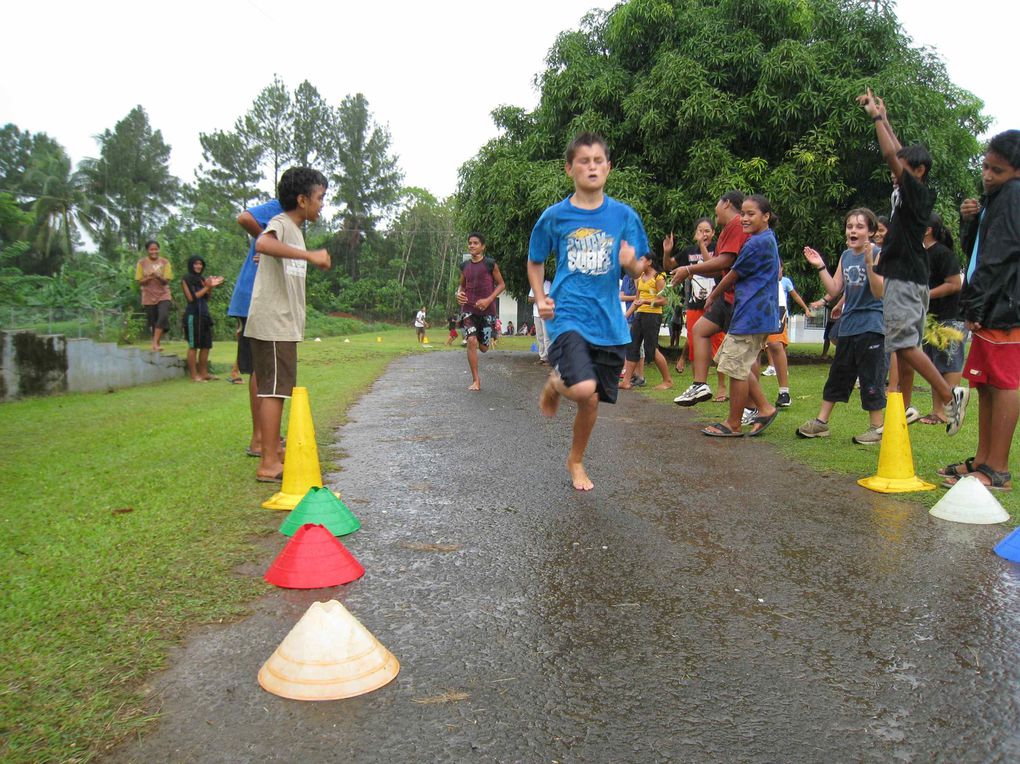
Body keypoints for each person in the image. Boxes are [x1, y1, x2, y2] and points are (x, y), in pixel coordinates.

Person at [528, 132, 649, 491]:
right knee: (582, 389)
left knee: (592, 400)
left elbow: (641, 266)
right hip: (567, 314)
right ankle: (559, 382)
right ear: (570, 169)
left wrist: (632, 265)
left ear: (609, 168)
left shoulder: (624, 216)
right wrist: (540, 296)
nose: (592, 166)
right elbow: (535, 261)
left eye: (599, 160)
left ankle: (576, 458)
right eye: (584, 160)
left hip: (609, 323)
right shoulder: (555, 216)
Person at [858, 87, 967, 434]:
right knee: (905, 349)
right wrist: (886, 118)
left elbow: (892, 154)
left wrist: (876, 118)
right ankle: (901, 412)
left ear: (917, 171)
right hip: (909, 277)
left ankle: (950, 396)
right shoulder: (913, 190)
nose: (895, 169)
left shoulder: (915, 191)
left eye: (903, 167)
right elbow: (899, 151)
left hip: (905, 278)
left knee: (903, 345)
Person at [941, 130, 1020, 491]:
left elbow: (1000, 256)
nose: (987, 175)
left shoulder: (1014, 196)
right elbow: (976, 251)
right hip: (993, 304)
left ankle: (997, 469)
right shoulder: (999, 197)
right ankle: (984, 460)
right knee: (986, 383)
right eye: (985, 166)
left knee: (1003, 383)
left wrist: (975, 303)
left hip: (1005, 307)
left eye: (997, 170)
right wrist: (970, 222)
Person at [244, 167, 332, 483]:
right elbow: (263, 245)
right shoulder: (281, 223)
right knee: (273, 392)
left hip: (281, 325)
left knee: (276, 389)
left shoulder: (293, 229)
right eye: (320, 197)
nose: (322, 204)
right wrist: (310, 256)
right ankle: (268, 462)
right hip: (273, 323)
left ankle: (272, 451)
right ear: (301, 199)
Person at [679, 194, 780, 436]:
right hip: (751, 312)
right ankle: (765, 409)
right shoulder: (764, 238)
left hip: (751, 314)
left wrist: (714, 294)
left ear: (765, 216)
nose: (744, 218)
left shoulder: (756, 243)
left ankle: (733, 424)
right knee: (734, 363)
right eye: (742, 213)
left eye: (750, 214)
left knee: (735, 368)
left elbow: (733, 272)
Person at [798, 209, 887, 443]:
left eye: (859, 227)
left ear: (870, 231)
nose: (853, 231)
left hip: (872, 325)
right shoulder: (846, 256)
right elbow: (835, 288)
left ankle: (877, 428)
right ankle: (821, 423)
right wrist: (819, 266)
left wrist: (869, 262)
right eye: (849, 226)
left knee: (871, 378)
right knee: (838, 374)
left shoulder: (879, 254)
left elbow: (879, 291)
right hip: (848, 325)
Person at [672, 191, 749, 407]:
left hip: (740, 298)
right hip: (725, 296)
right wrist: (713, 294)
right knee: (699, 330)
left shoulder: (735, 225)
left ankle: (756, 408)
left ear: (726, 203)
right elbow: (717, 269)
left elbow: (724, 262)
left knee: (739, 359)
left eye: (717, 204)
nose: (714, 210)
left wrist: (688, 269)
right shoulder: (727, 229)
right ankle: (700, 384)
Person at [231, 197, 284, 456]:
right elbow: (244, 217)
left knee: (266, 370)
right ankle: (259, 440)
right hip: (253, 298)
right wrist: (266, 241)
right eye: (318, 197)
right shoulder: (278, 208)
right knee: (260, 370)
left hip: (263, 299)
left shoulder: (288, 222)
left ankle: (266, 436)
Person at [902, 214, 964, 425]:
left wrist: (925, 294)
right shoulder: (921, 254)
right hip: (929, 318)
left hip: (949, 317)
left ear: (927, 229)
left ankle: (951, 411)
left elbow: (955, 284)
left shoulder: (943, 254)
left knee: (950, 363)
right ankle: (938, 411)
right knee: (935, 365)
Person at [664, 217, 717, 375]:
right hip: (694, 305)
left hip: (715, 304)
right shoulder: (688, 251)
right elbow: (668, 266)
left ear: (713, 233)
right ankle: (698, 383)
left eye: (707, 231)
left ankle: (722, 387)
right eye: (700, 231)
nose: (703, 234)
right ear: (695, 233)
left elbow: (712, 267)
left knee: (718, 346)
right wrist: (667, 253)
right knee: (694, 345)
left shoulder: (719, 248)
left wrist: (702, 247)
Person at [457, 232, 505, 391]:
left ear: (482, 246)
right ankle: (476, 380)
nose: (471, 245)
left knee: (484, 348)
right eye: (470, 243)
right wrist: (459, 294)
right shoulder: (464, 266)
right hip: (468, 309)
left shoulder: (490, 264)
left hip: (487, 310)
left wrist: (488, 300)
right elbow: (462, 286)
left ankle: (484, 335)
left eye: (475, 243)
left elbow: (501, 284)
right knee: (471, 341)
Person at [763, 263, 813, 407]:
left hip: (776, 308)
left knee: (776, 345)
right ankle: (751, 403)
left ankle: (784, 392)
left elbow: (794, 294)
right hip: (756, 302)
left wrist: (805, 308)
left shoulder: (784, 279)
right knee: (754, 349)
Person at [620, 255, 673, 390]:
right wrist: (625, 316)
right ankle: (626, 382)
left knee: (652, 349)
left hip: (653, 315)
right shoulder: (641, 277)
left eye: (641, 260)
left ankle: (667, 381)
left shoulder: (658, 278)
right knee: (632, 346)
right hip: (640, 314)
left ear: (649, 262)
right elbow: (637, 300)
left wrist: (647, 301)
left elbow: (664, 301)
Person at [181, 256, 224, 382]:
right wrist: (207, 286)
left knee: (206, 345)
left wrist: (210, 286)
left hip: (204, 315)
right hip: (192, 315)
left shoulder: (201, 279)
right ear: (191, 265)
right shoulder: (186, 279)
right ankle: (194, 375)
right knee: (193, 345)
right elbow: (191, 298)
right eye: (196, 264)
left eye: (200, 264)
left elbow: (206, 297)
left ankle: (204, 373)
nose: (198, 266)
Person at [135, 239, 173, 352]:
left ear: (159, 249)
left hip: (163, 294)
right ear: (147, 250)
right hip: (148, 295)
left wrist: (158, 276)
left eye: (156, 249)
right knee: (153, 321)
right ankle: (157, 344)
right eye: (151, 249)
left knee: (163, 316)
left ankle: (154, 342)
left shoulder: (165, 262)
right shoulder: (142, 263)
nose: (154, 251)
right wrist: (149, 277)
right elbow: (139, 281)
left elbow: (166, 280)